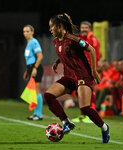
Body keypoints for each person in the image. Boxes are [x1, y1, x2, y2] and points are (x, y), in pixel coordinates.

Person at [44, 13, 110, 143]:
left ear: (60, 26)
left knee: (85, 108)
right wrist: (58, 61)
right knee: (48, 96)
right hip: (69, 77)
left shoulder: (73, 39)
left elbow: (91, 49)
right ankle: (66, 122)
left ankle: (104, 127)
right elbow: (65, 52)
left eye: (52, 27)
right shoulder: (56, 41)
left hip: (83, 76)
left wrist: (94, 71)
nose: (50, 29)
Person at [72, 21, 101, 123]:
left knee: (90, 92)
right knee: (80, 92)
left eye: (86, 28)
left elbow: (96, 57)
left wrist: (93, 70)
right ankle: (83, 114)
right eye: (82, 27)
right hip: (79, 70)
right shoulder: (79, 40)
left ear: (90, 29)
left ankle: (91, 115)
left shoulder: (93, 40)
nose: (84, 29)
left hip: (89, 70)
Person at [23, 24, 44, 121]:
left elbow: (40, 56)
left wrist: (35, 68)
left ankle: (39, 114)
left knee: (37, 91)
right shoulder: (29, 43)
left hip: (36, 68)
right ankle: (35, 113)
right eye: (24, 31)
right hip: (31, 68)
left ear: (32, 32)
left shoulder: (34, 42)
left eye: (28, 31)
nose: (25, 33)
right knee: (33, 91)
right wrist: (27, 71)